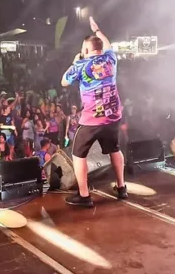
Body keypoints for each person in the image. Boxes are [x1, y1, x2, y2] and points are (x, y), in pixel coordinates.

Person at [61, 16, 127, 207]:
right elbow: (108, 44)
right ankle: (122, 188)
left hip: (92, 120)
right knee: (114, 148)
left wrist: (75, 62)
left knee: (78, 154)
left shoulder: (81, 66)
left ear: (87, 50)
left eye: (83, 48)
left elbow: (64, 82)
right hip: (113, 116)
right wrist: (97, 30)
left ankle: (84, 196)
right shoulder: (111, 59)